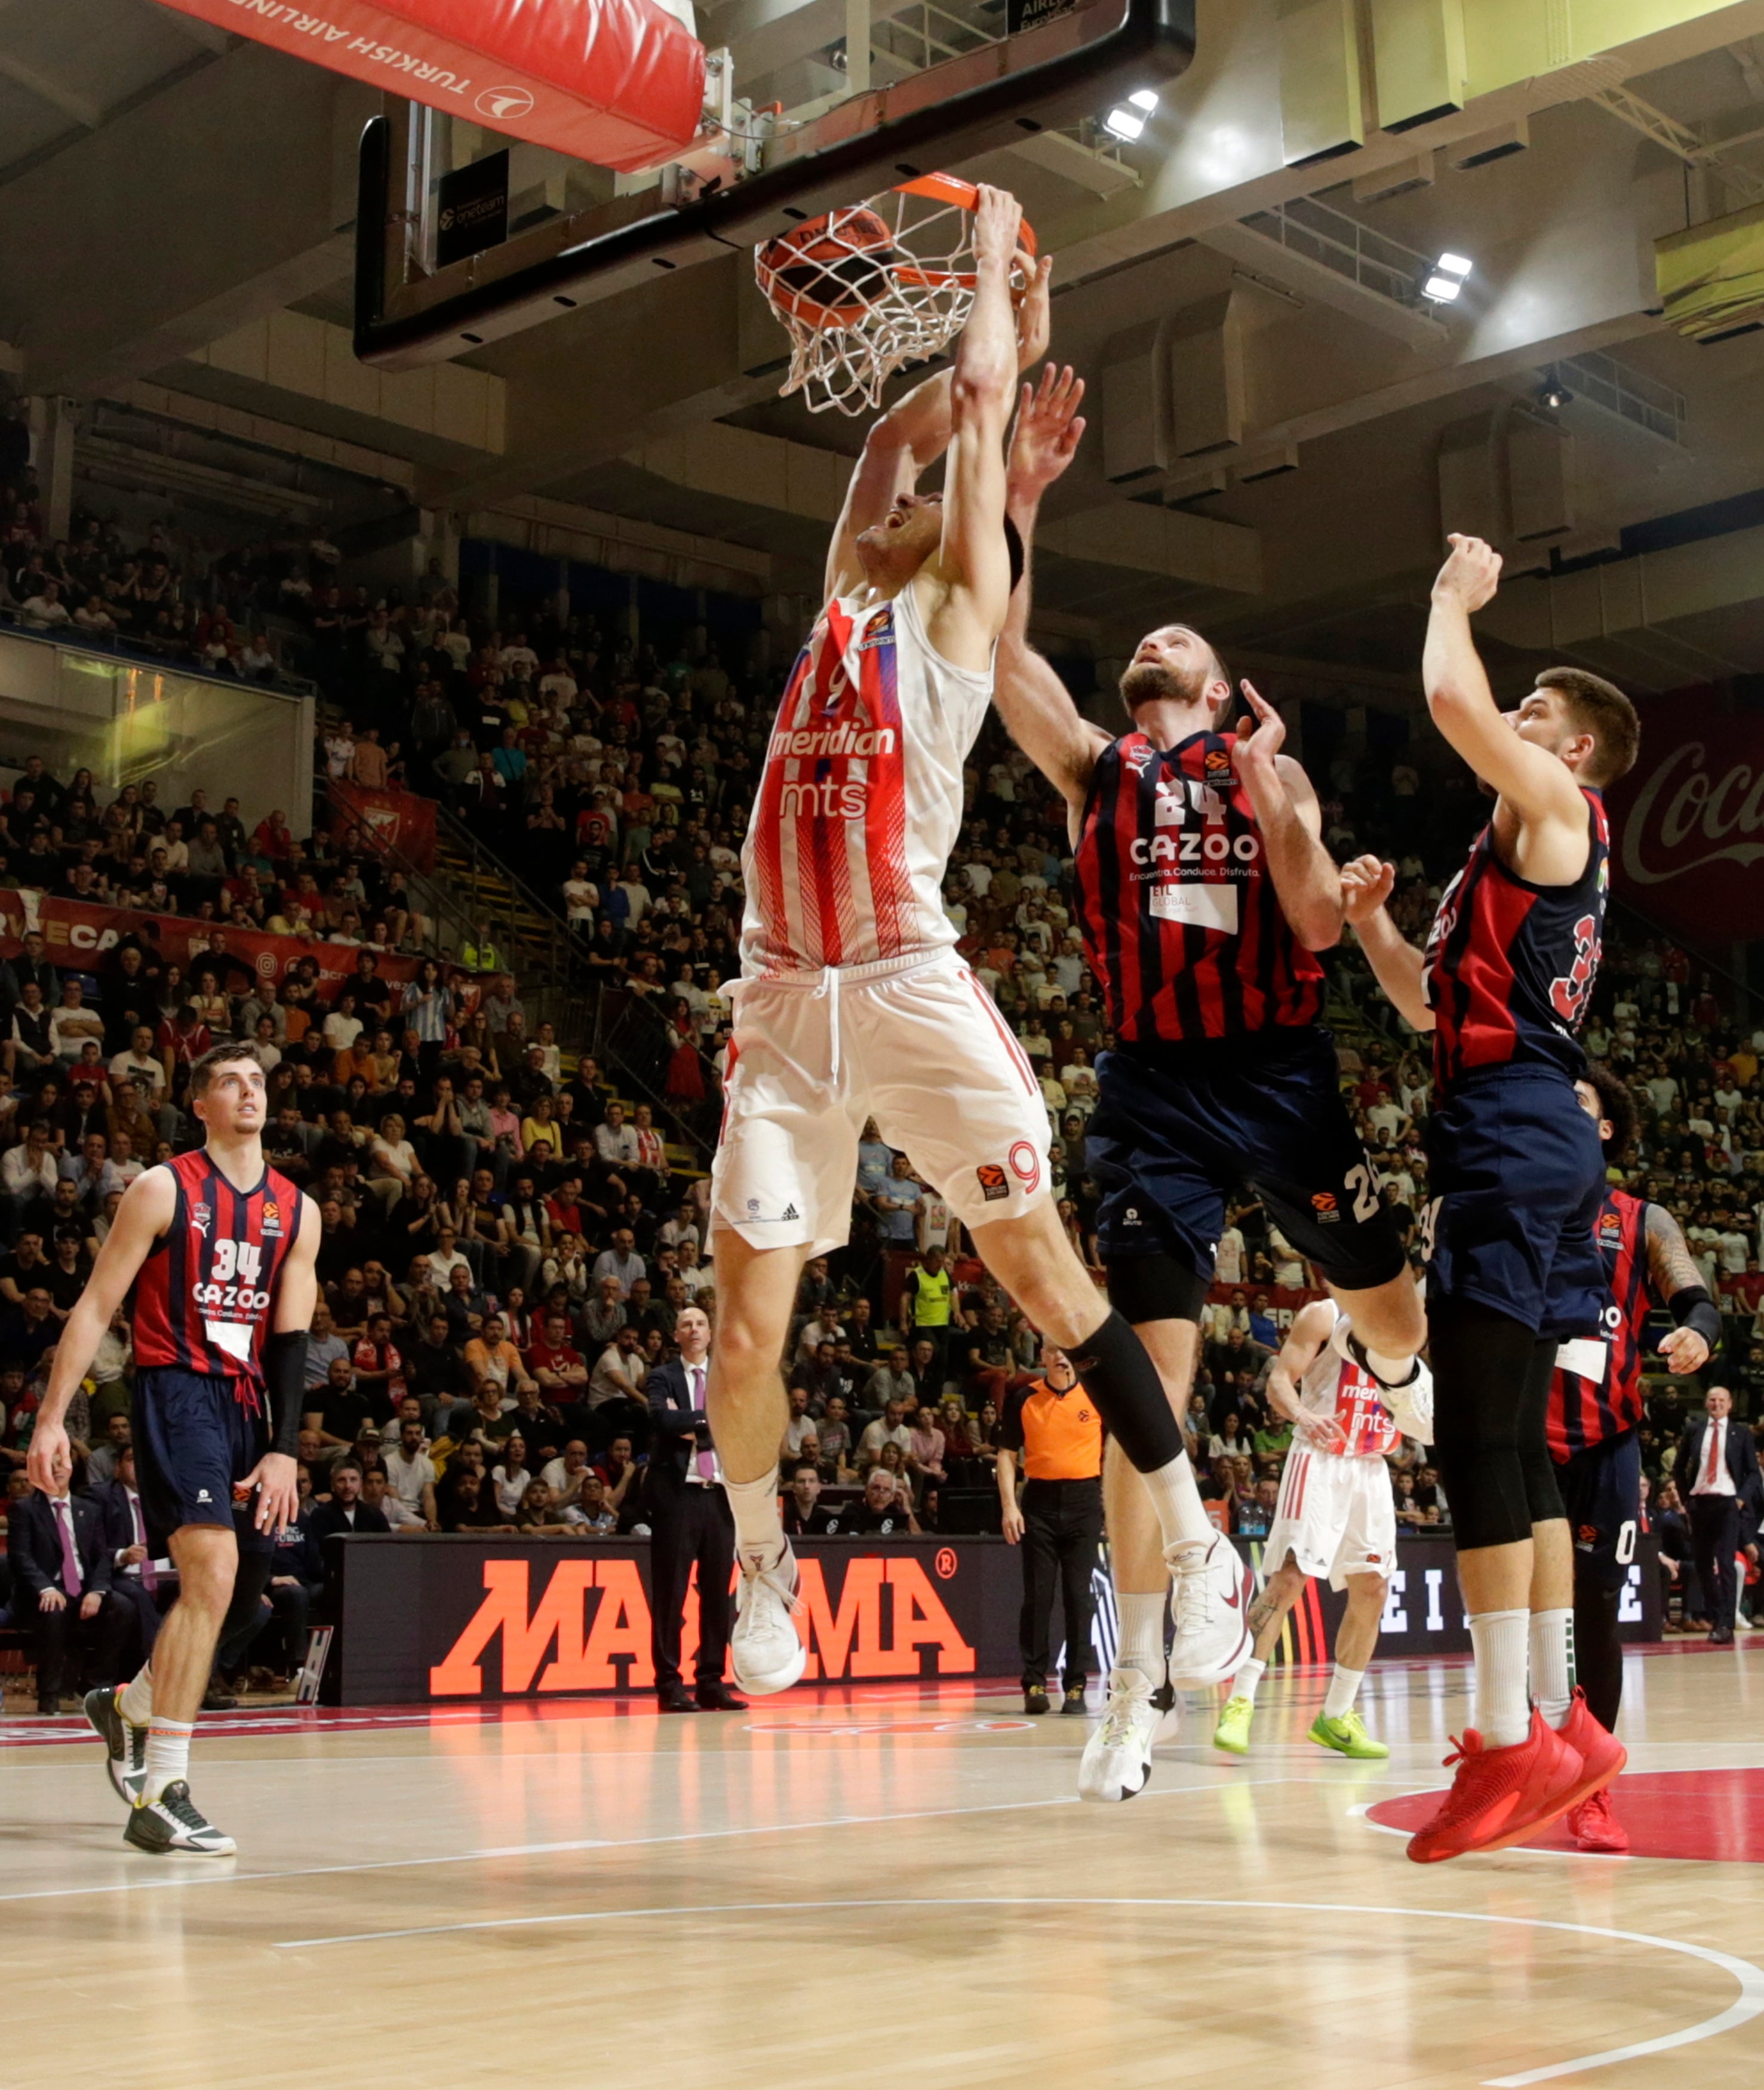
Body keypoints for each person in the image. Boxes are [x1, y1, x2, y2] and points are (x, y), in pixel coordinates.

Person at [706, 189, 1197, 1712]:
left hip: (907, 978)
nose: (893, 507)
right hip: (782, 1001)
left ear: (967, 541)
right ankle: (762, 1565)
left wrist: (994, 268)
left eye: (940, 506)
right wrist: (957, 382)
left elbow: (972, 429)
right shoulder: (851, 590)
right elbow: (893, 448)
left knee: (1040, 1274)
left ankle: (1185, 1519)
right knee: (738, 1340)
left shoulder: (955, 617)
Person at [994, 367, 1424, 1801]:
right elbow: (997, 644)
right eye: (1143, 636)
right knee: (1147, 1385)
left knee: (1394, 1315)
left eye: (1180, 630)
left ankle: (1426, 1395)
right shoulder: (1093, 769)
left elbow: (1309, 923)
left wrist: (1286, 810)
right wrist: (1018, 502)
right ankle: (1137, 1683)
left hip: (1283, 1072)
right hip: (1153, 1091)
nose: (1153, 637)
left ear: (1224, 684)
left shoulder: (1269, 778)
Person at [1341, 533, 1639, 1864]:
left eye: (1540, 718)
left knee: (1473, 1444)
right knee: (1513, 1444)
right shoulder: (1516, 851)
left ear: (1571, 754)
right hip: (1512, 1125)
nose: (1515, 721)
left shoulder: (1558, 813)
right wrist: (1370, 926)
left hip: (1513, 1134)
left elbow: (1455, 703)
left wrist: (1446, 598)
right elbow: (1420, 1000)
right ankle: (1560, 1719)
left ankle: (1505, 1735)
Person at [27, 1042, 318, 1855]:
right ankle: (163, 1789)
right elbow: (93, 1308)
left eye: (258, 1081)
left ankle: (128, 1707)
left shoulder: (297, 1209)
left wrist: (286, 1448)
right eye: (230, 1081)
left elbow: (292, 1338)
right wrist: (52, 1419)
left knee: (246, 1592)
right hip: (176, 1392)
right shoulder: (163, 1188)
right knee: (212, 1575)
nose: (249, 1092)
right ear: (200, 1103)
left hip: (249, 1404)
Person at [1545, 1066, 1720, 1852]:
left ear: (1607, 1128)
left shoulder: (1641, 1220)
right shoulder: (1511, 1208)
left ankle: (1592, 1793)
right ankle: (1524, 1768)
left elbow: (1696, 1300)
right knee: (1521, 1622)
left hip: (1607, 1443)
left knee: (1593, 1615)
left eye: (1578, 1102)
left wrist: (1697, 1336)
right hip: (1521, 1446)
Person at [1213, 1301, 1432, 1762]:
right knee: (1290, 1580)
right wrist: (1302, 1416)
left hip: (1371, 1466)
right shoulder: (1325, 1315)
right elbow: (1277, 1382)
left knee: (1372, 1587)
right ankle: (1240, 1699)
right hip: (1318, 1456)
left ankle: (1336, 1715)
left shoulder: (1408, 1321)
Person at [646, 1306, 745, 1714]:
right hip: (678, 1496)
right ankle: (669, 1683)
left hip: (719, 1496)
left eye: (701, 1322)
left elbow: (738, 1423)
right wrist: (709, 1420)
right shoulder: (662, 1376)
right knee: (671, 1593)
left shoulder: (726, 1377)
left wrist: (690, 1421)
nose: (694, 1329)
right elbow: (661, 1419)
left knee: (718, 1593)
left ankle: (711, 1680)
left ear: (710, 1331)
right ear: (676, 1334)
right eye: (686, 1323)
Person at [997, 1345, 1102, 1718]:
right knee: (1038, 1596)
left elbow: (1118, 1453)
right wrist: (1010, 1506)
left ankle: (1076, 1685)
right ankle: (1035, 1683)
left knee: (1078, 1596)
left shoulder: (1095, 1395)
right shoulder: (1025, 1398)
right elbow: (1007, 1455)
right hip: (1039, 1501)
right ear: (1044, 1357)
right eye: (1054, 1350)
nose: (1062, 1357)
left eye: (1067, 1351)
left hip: (1085, 1500)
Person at [8, 1479, 130, 1714]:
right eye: (50, 1465)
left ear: (71, 1470)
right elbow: (20, 1556)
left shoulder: (89, 1509)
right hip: (45, 1588)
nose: (56, 1471)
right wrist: (45, 1588)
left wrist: (97, 1591)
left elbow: (101, 1557)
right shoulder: (25, 1509)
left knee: (123, 1608)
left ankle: (94, 1686)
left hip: (83, 1587)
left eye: (61, 1464)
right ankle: (50, 1693)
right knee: (53, 1611)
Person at [1677, 1386, 1763, 1649]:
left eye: (1722, 1400)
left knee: (1726, 1563)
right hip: (1700, 1502)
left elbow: (1752, 1473)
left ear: (1730, 1405)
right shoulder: (1695, 1430)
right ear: (1706, 1403)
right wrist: (1686, 1499)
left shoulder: (1741, 1433)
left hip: (1727, 1503)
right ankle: (1718, 1616)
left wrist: (1740, 1498)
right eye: (1712, 1400)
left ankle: (1725, 1623)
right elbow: (1679, 1467)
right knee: (1703, 1565)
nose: (1717, 1404)